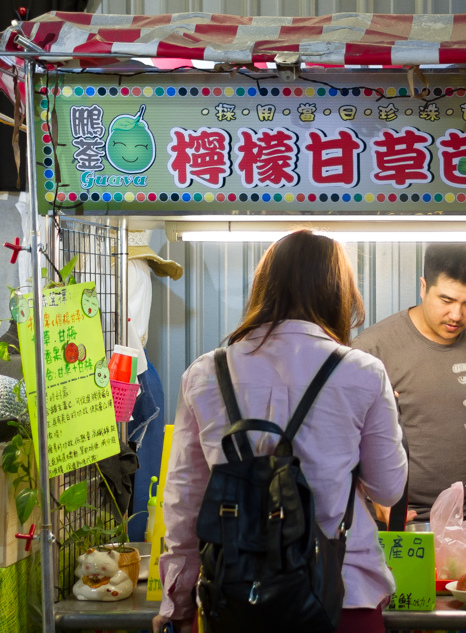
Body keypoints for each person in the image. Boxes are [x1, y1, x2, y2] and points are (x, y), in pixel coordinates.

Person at [152, 231, 408, 633]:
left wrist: (178, 602)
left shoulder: (205, 373)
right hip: (342, 593)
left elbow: (185, 502)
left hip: (235, 600)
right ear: (338, 293)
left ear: (263, 287)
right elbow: (388, 489)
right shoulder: (362, 372)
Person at [353, 243, 466, 524]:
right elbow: (346, 440)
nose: (457, 315)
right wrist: (375, 497)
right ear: (423, 287)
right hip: (392, 521)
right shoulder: (371, 351)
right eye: (446, 300)